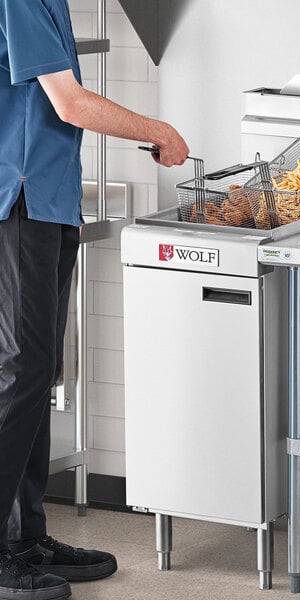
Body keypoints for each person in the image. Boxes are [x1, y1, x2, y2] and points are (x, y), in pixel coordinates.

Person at [0, 1, 189, 599]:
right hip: (20, 201)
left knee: (38, 373)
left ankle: (24, 539)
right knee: (20, 373)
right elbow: (69, 102)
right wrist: (157, 130)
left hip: (52, 200)